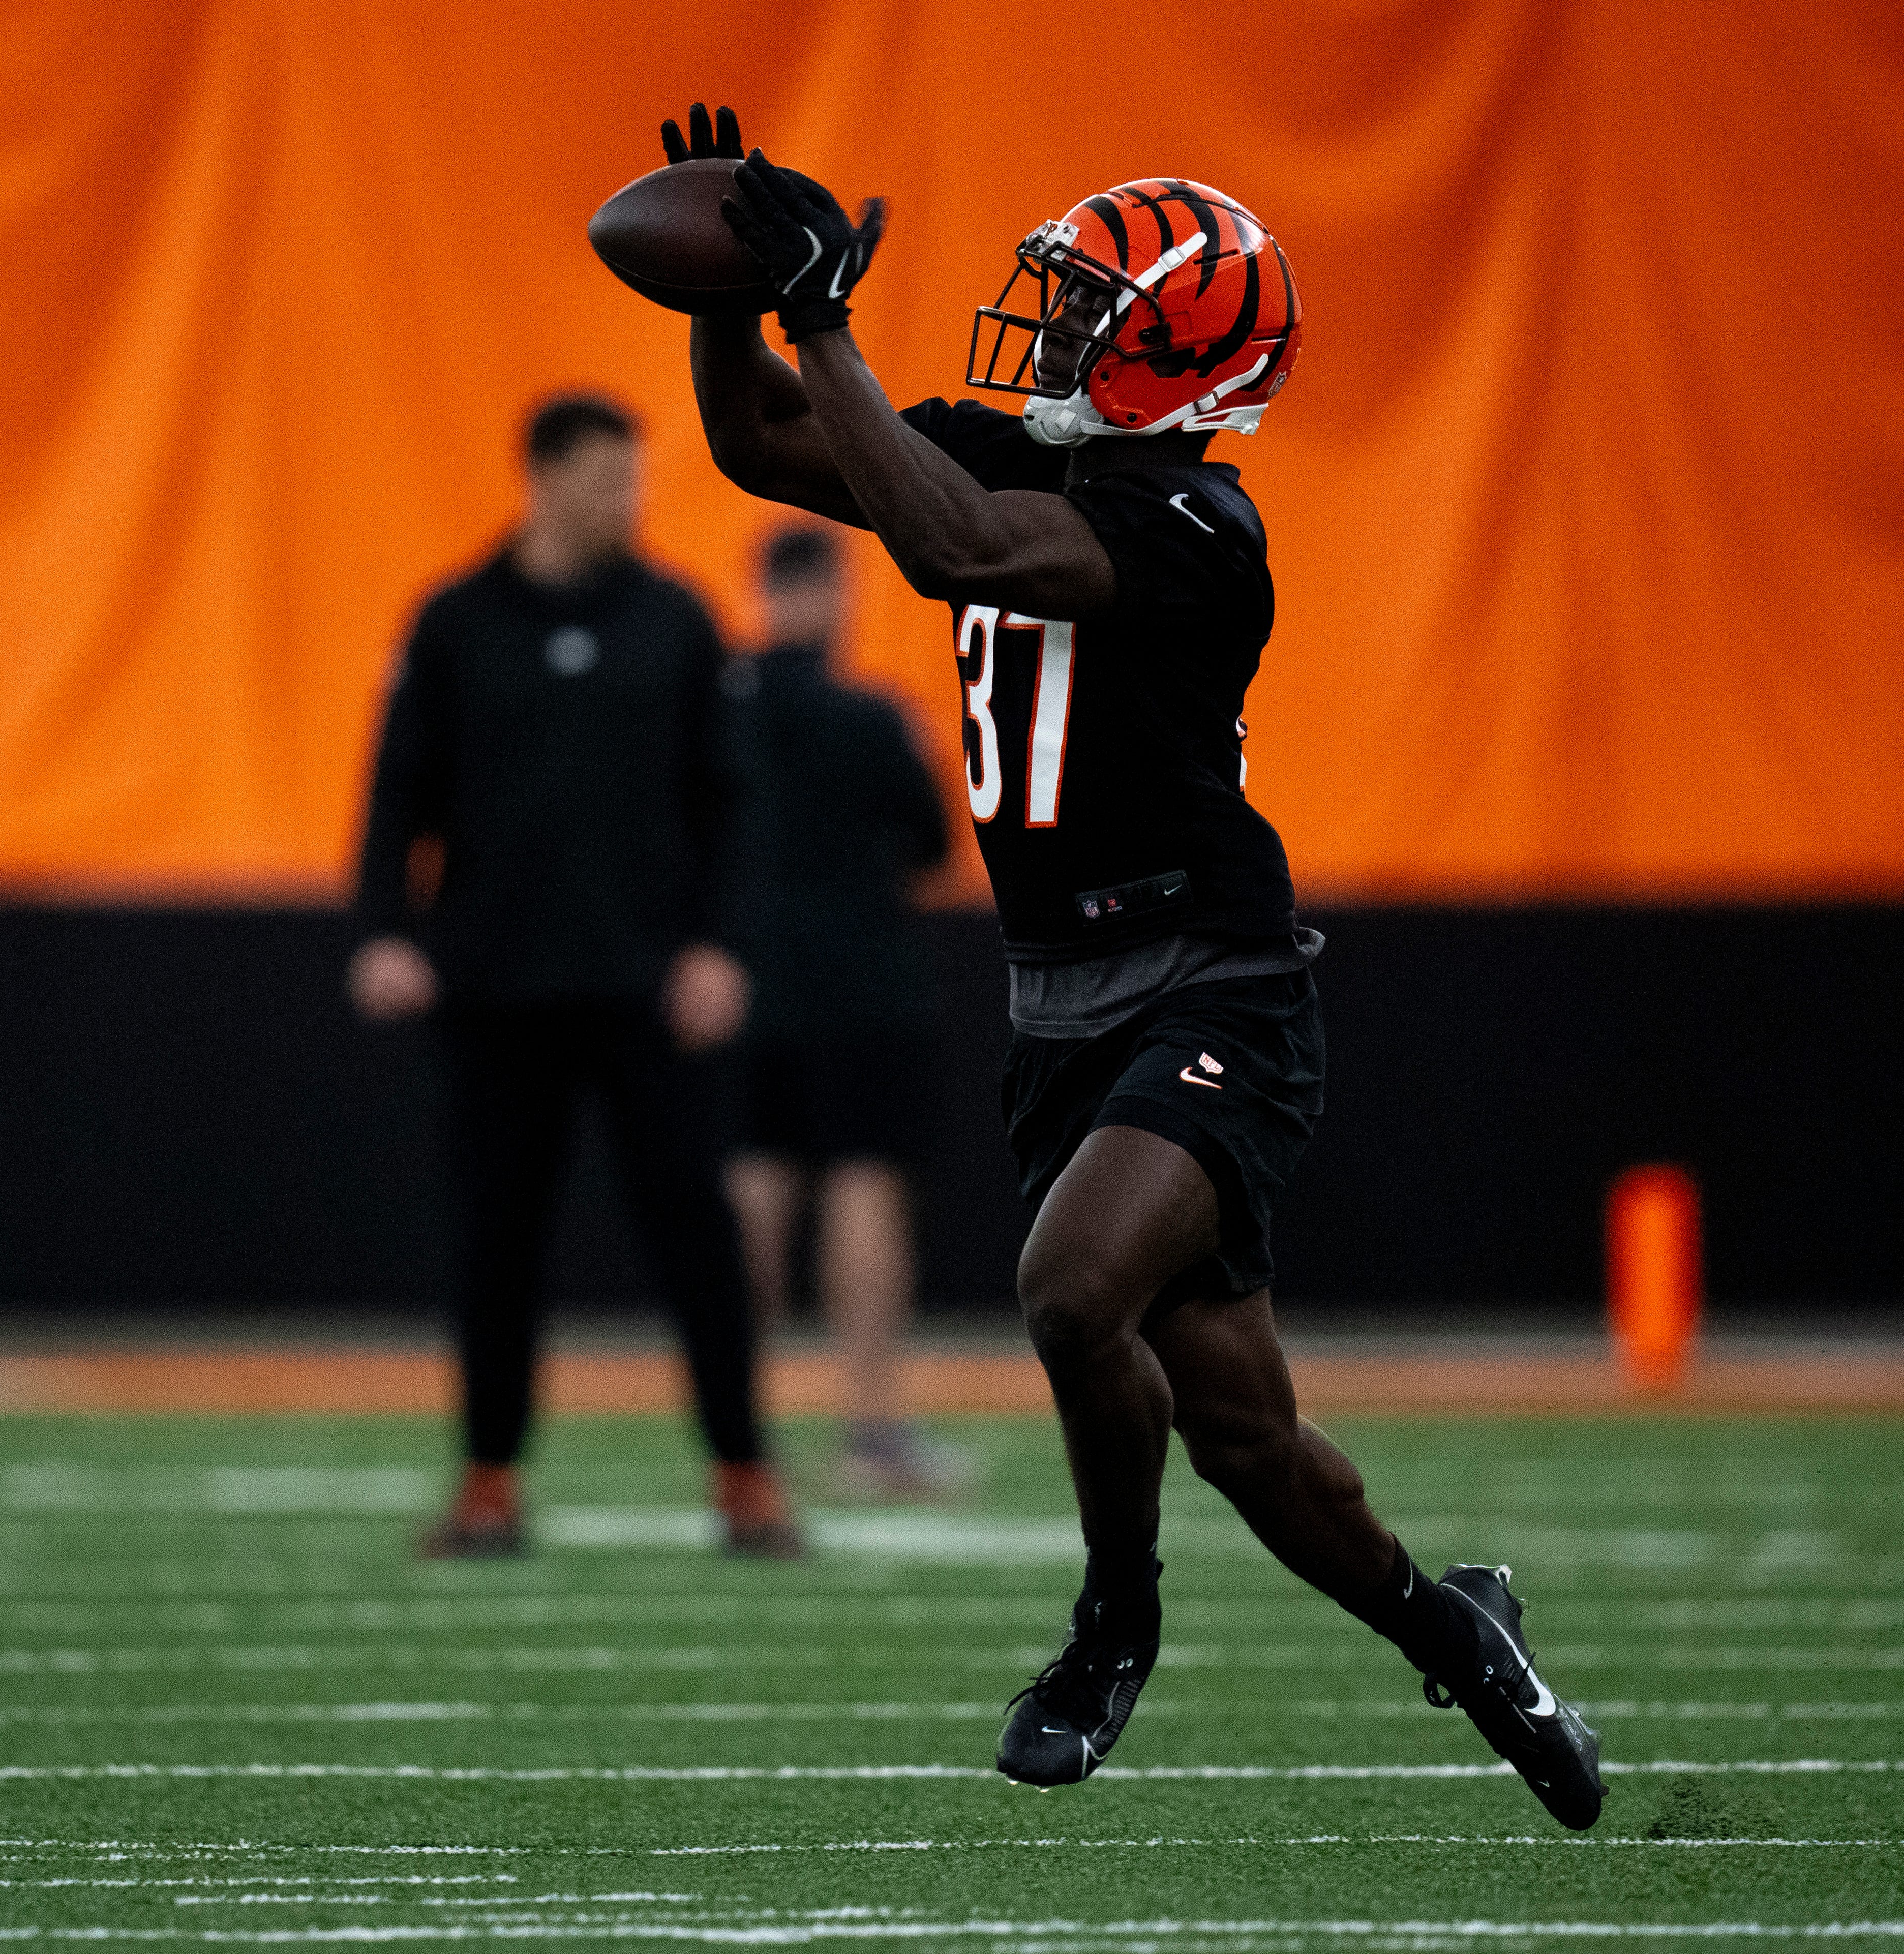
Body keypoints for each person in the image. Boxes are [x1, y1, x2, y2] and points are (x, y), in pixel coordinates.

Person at [661, 103, 1604, 1827]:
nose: (1061, 331)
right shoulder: (1004, 445)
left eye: (1099, 311)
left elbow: (952, 545)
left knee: (1067, 1287)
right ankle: (1458, 1632)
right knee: (1251, 1442)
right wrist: (731, 298)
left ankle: (1110, 1625)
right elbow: (755, 448)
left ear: (1188, 363)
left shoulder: (1197, 527)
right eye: (1065, 297)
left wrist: (823, 321)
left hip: (1209, 979)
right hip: (1054, 1004)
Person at [352, 391, 802, 1561]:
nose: (631, 501)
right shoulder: (454, 621)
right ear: (544, 476)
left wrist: (722, 945)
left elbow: (733, 804)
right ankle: (489, 1481)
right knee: (496, 1242)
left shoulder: (676, 618)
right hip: (496, 990)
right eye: (610, 479)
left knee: (696, 1240)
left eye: (635, 480)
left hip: (649, 989)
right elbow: (398, 788)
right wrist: (386, 929)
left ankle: (745, 1474)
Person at [722, 523, 973, 1502]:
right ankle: (870, 1429)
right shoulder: (872, 717)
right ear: (826, 593)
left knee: (752, 1185)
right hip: (865, 985)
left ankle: (735, 1430)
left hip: (745, 981)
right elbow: (929, 847)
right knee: (864, 1189)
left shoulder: (714, 712)